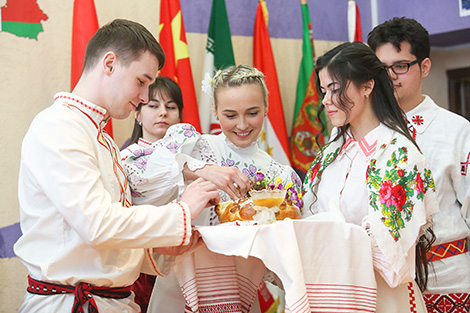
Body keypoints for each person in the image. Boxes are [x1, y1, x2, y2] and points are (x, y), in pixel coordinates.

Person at [13, 19, 225, 313]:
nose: (144, 98)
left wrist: (161, 250)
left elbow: (99, 244)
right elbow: (97, 225)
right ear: (109, 64)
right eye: (141, 82)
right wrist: (182, 212)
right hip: (70, 303)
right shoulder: (59, 126)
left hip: (112, 302)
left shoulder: (103, 139)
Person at [123, 64, 303, 312]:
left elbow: (285, 259)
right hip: (178, 291)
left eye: (252, 113)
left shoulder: (281, 177)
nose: (241, 125)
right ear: (215, 111)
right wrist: (197, 169)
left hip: (241, 294)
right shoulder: (193, 147)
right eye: (230, 115)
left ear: (266, 108)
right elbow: (128, 170)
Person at [302, 42, 438, 312]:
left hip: (384, 298)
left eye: (335, 89)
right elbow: (307, 215)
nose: (326, 100)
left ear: (367, 86)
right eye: (323, 90)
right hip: (330, 293)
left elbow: (391, 248)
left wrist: (328, 238)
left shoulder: (401, 156)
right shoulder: (329, 155)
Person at [368, 17, 470, 312]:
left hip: (446, 282)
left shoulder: (457, 131)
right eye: (381, 68)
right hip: (381, 285)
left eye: (400, 66)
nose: (390, 77)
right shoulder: (360, 130)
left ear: (424, 67)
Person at [121, 76, 184, 313]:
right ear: (137, 113)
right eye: (153, 105)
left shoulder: (196, 158)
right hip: (144, 263)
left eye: (171, 107)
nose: (163, 113)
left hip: (185, 260)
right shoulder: (125, 160)